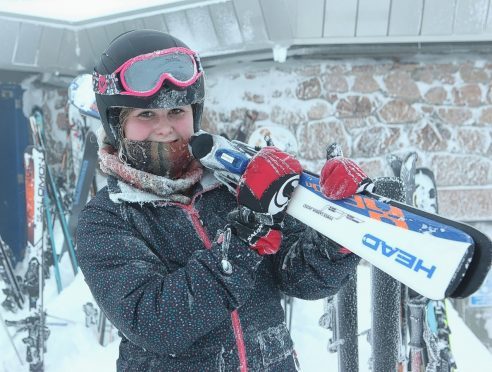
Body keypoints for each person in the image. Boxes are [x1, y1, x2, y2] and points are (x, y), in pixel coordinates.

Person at [76, 29, 369, 371]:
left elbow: (297, 277)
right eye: (146, 115)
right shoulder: (108, 218)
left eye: (176, 112)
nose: (165, 127)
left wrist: (334, 233)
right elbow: (157, 323)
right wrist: (245, 238)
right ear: (117, 125)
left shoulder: (231, 186)